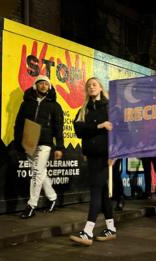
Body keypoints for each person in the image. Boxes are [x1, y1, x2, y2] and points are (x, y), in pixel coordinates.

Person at [70, 77, 116, 246]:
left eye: (94, 84)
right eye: (88, 85)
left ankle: (87, 231)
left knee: (96, 190)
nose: (91, 87)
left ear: (100, 87)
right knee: (103, 192)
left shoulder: (110, 107)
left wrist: (115, 154)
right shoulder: (84, 109)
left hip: (106, 156)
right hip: (91, 156)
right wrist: (99, 126)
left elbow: (119, 132)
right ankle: (111, 228)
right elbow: (78, 130)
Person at [14, 75, 64, 219]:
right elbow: (18, 124)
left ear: (50, 87)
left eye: (46, 84)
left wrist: (59, 146)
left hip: (45, 143)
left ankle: (31, 205)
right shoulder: (26, 104)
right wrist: (18, 142)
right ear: (35, 85)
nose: (44, 86)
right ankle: (53, 198)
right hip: (29, 141)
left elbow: (58, 127)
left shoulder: (54, 105)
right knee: (40, 172)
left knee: (36, 173)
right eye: (41, 83)